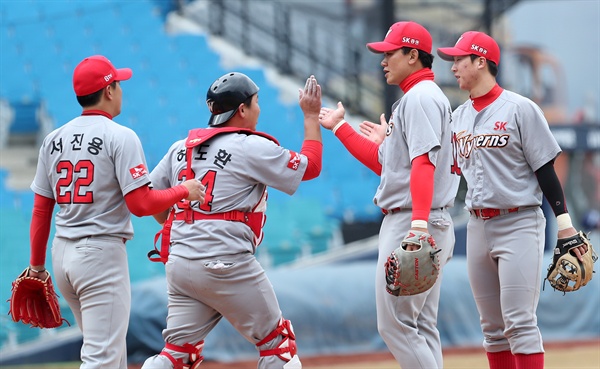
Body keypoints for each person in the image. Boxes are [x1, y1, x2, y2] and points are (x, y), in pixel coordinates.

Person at [27, 55, 205, 368]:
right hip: (99, 255)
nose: (121, 89)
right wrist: (183, 191)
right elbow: (141, 205)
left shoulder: (52, 140)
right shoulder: (121, 136)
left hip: (62, 255)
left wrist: (37, 267)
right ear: (108, 91)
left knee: (112, 355)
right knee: (102, 359)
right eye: (118, 83)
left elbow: (41, 210)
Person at [141, 72, 323, 369]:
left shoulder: (180, 148)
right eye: (256, 102)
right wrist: (311, 115)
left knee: (176, 353)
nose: (259, 109)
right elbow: (310, 167)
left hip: (181, 265)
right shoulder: (248, 146)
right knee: (278, 345)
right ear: (241, 109)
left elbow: (154, 201)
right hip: (225, 263)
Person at [436, 31, 588, 369]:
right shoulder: (457, 117)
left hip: (519, 221)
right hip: (477, 225)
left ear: (481, 61)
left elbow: (546, 170)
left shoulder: (520, 108)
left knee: (520, 323)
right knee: (492, 330)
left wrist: (564, 225)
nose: (454, 67)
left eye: (460, 59)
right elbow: (441, 170)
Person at [319, 21, 460, 368]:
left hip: (414, 220)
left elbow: (424, 164)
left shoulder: (420, 98)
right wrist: (340, 126)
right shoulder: (417, 99)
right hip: (426, 217)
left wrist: (418, 227)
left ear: (413, 55)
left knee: (395, 325)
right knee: (421, 326)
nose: (382, 60)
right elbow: (384, 163)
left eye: (389, 53)